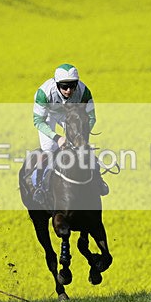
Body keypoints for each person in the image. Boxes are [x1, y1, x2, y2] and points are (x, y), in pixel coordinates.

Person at [31, 63, 107, 203]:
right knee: (48, 149)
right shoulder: (44, 93)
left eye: (72, 86)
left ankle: (98, 179)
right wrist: (57, 137)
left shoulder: (84, 92)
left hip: (72, 116)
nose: (68, 90)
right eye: (64, 87)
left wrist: (81, 137)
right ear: (57, 84)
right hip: (48, 115)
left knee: (82, 148)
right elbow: (38, 121)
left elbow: (91, 118)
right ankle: (40, 186)